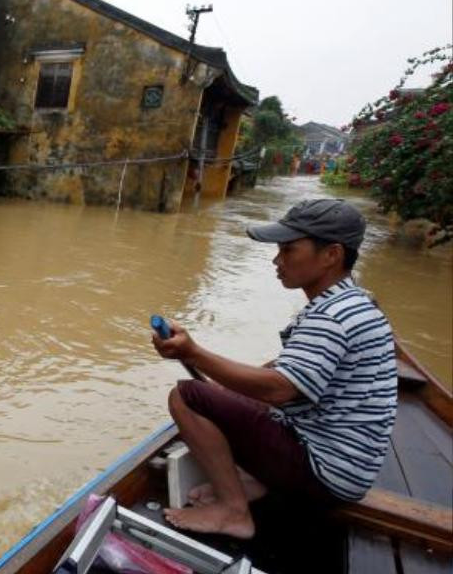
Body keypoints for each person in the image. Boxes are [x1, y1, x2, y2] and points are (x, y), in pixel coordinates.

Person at [151, 199, 397, 539]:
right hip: (348, 468)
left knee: (186, 396)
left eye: (288, 250)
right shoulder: (353, 301)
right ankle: (254, 481)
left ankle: (233, 511)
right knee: (224, 395)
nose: (277, 260)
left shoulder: (332, 317)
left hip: (326, 475)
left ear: (331, 255)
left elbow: (278, 388)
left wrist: (194, 354)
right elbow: (287, 368)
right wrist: (226, 390)